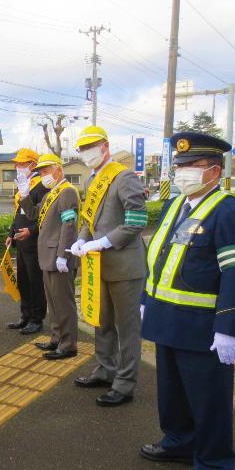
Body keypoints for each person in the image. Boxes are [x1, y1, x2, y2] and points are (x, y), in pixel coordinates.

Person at [140, 132, 235, 470]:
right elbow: (158, 255)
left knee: (209, 401)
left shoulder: (229, 211)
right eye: (178, 166)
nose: (181, 172)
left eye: (190, 166)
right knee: (171, 394)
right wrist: (146, 298)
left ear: (214, 171)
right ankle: (179, 442)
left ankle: (215, 466)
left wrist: (228, 330)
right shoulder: (176, 205)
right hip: (167, 319)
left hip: (203, 328)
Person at [69, 125, 147, 407]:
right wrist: (81, 240)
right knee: (100, 320)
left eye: (91, 147)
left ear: (105, 146)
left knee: (126, 328)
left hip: (125, 266)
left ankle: (125, 384)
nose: (86, 153)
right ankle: (104, 370)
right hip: (97, 265)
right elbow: (88, 220)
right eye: (82, 149)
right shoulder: (92, 181)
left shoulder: (124, 177)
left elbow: (137, 221)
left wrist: (103, 243)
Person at [20, 154, 80, 359]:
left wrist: (64, 254)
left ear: (59, 170)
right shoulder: (49, 194)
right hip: (47, 256)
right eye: (42, 172)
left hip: (59, 257)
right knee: (53, 302)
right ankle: (56, 338)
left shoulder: (67, 192)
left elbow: (69, 225)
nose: (44, 176)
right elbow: (33, 215)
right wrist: (24, 194)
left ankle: (69, 344)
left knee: (64, 303)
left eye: (46, 171)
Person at [5, 148, 49, 334]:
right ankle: (25, 316)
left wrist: (31, 231)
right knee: (22, 280)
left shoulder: (42, 187)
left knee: (35, 282)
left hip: (34, 242)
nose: (18, 167)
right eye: (17, 164)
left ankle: (37, 319)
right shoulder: (24, 184)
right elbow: (18, 213)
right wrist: (11, 233)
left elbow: (46, 217)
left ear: (33, 164)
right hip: (21, 242)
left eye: (22, 163)